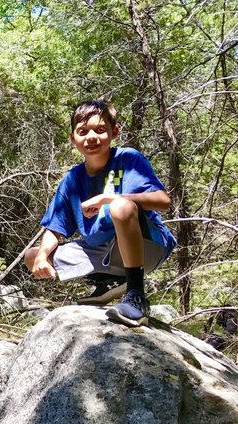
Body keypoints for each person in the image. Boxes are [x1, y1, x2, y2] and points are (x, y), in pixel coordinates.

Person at [25, 99, 177, 327]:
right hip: (103, 252)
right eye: (83, 131)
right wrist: (41, 257)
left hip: (148, 245)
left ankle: (136, 295)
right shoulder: (72, 180)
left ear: (114, 132)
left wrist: (110, 198)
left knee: (120, 206)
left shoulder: (127, 159)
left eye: (100, 130)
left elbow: (163, 201)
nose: (91, 137)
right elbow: (54, 228)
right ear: (73, 137)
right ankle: (111, 281)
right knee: (33, 255)